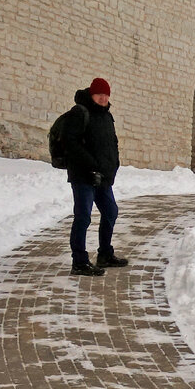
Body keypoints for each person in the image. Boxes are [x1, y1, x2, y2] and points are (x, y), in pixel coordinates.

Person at [62, 77, 126, 277]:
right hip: (83, 176)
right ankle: (79, 262)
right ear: (92, 94)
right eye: (99, 94)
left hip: (103, 177)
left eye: (106, 95)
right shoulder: (79, 113)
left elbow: (111, 144)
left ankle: (105, 254)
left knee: (110, 212)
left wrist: (113, 165)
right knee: (83, 217)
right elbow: (69, 143)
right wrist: (91, 166)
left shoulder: (107, 116)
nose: (103, 98)